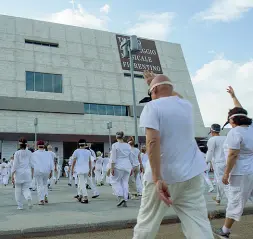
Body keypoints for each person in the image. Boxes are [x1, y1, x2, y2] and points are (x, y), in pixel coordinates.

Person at [133, 74, 213, 239]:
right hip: (191, 174)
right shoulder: (186, 106)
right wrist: (158, 83)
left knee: (147, 223)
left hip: (165, 176)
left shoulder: (152, 107)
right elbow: (174, 96)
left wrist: (156, 178)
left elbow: (153, 142)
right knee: (198, 223)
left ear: (153, 90)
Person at [213, 86, 253, 238]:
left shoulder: (235, 133)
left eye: (229, 119)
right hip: (250, 171)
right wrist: (234, 97)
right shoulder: (250, 128)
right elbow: (240, 110)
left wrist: (226, 174)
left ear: (233, 120)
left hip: (239, 173)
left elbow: (232, 155)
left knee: (235, 202)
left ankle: (224, 231)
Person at [110, 131, 134, 207]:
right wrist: (132, 167)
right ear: (123, 137)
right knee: (125, 182)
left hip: (118, 165)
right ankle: (125, 199)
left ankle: (120, 197)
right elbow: (131, 157)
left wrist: (112, 168)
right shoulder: (128, 146)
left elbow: (113, 158)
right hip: (127, 165)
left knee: (115, 181)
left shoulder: (115, 145)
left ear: (116, 137)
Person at [206, 124, 227, 205]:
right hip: (227, 163)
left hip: (218, 163)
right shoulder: (226, 138)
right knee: (226, 180)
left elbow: (210, 152)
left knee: (220, 182)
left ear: (212, 131)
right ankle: (218, 198)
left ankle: (228, 198)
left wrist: (206, 162)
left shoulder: (212, 140)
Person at [12, 138, 33, 210]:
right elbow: (32, 164)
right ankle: (28, 197)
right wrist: (32, 173)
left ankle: (20, 206)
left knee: (18, 190)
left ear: (19, 144)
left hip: (19, 173)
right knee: (26, 189)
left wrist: (12, 175)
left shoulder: (17, 153)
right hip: (27, 172)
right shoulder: (30, 153)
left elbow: (15, 165)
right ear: (26, 144)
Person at [31, 140, 53, 205]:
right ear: (44, 146)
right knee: (45, 184)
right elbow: (51, 163)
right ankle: (45, 195)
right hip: (46, 171)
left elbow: (32, 164)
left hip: (38, 171)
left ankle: (41, 199)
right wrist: (51, 171)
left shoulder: (34, 154)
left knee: (39, 185)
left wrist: (32, 173)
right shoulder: (48, 153)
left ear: (37, 146)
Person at [71, 139, 93, 204]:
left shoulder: (76, 151)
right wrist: (90, 170)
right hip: (86, 169)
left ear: (79, 144)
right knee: (81, 182)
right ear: (85, 144)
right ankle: (80, 195)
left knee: (82, 183)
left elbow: (74, 161)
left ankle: (85, 197)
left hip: (80, 169)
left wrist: (72, 169)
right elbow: (90, 162)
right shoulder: (88, 152)